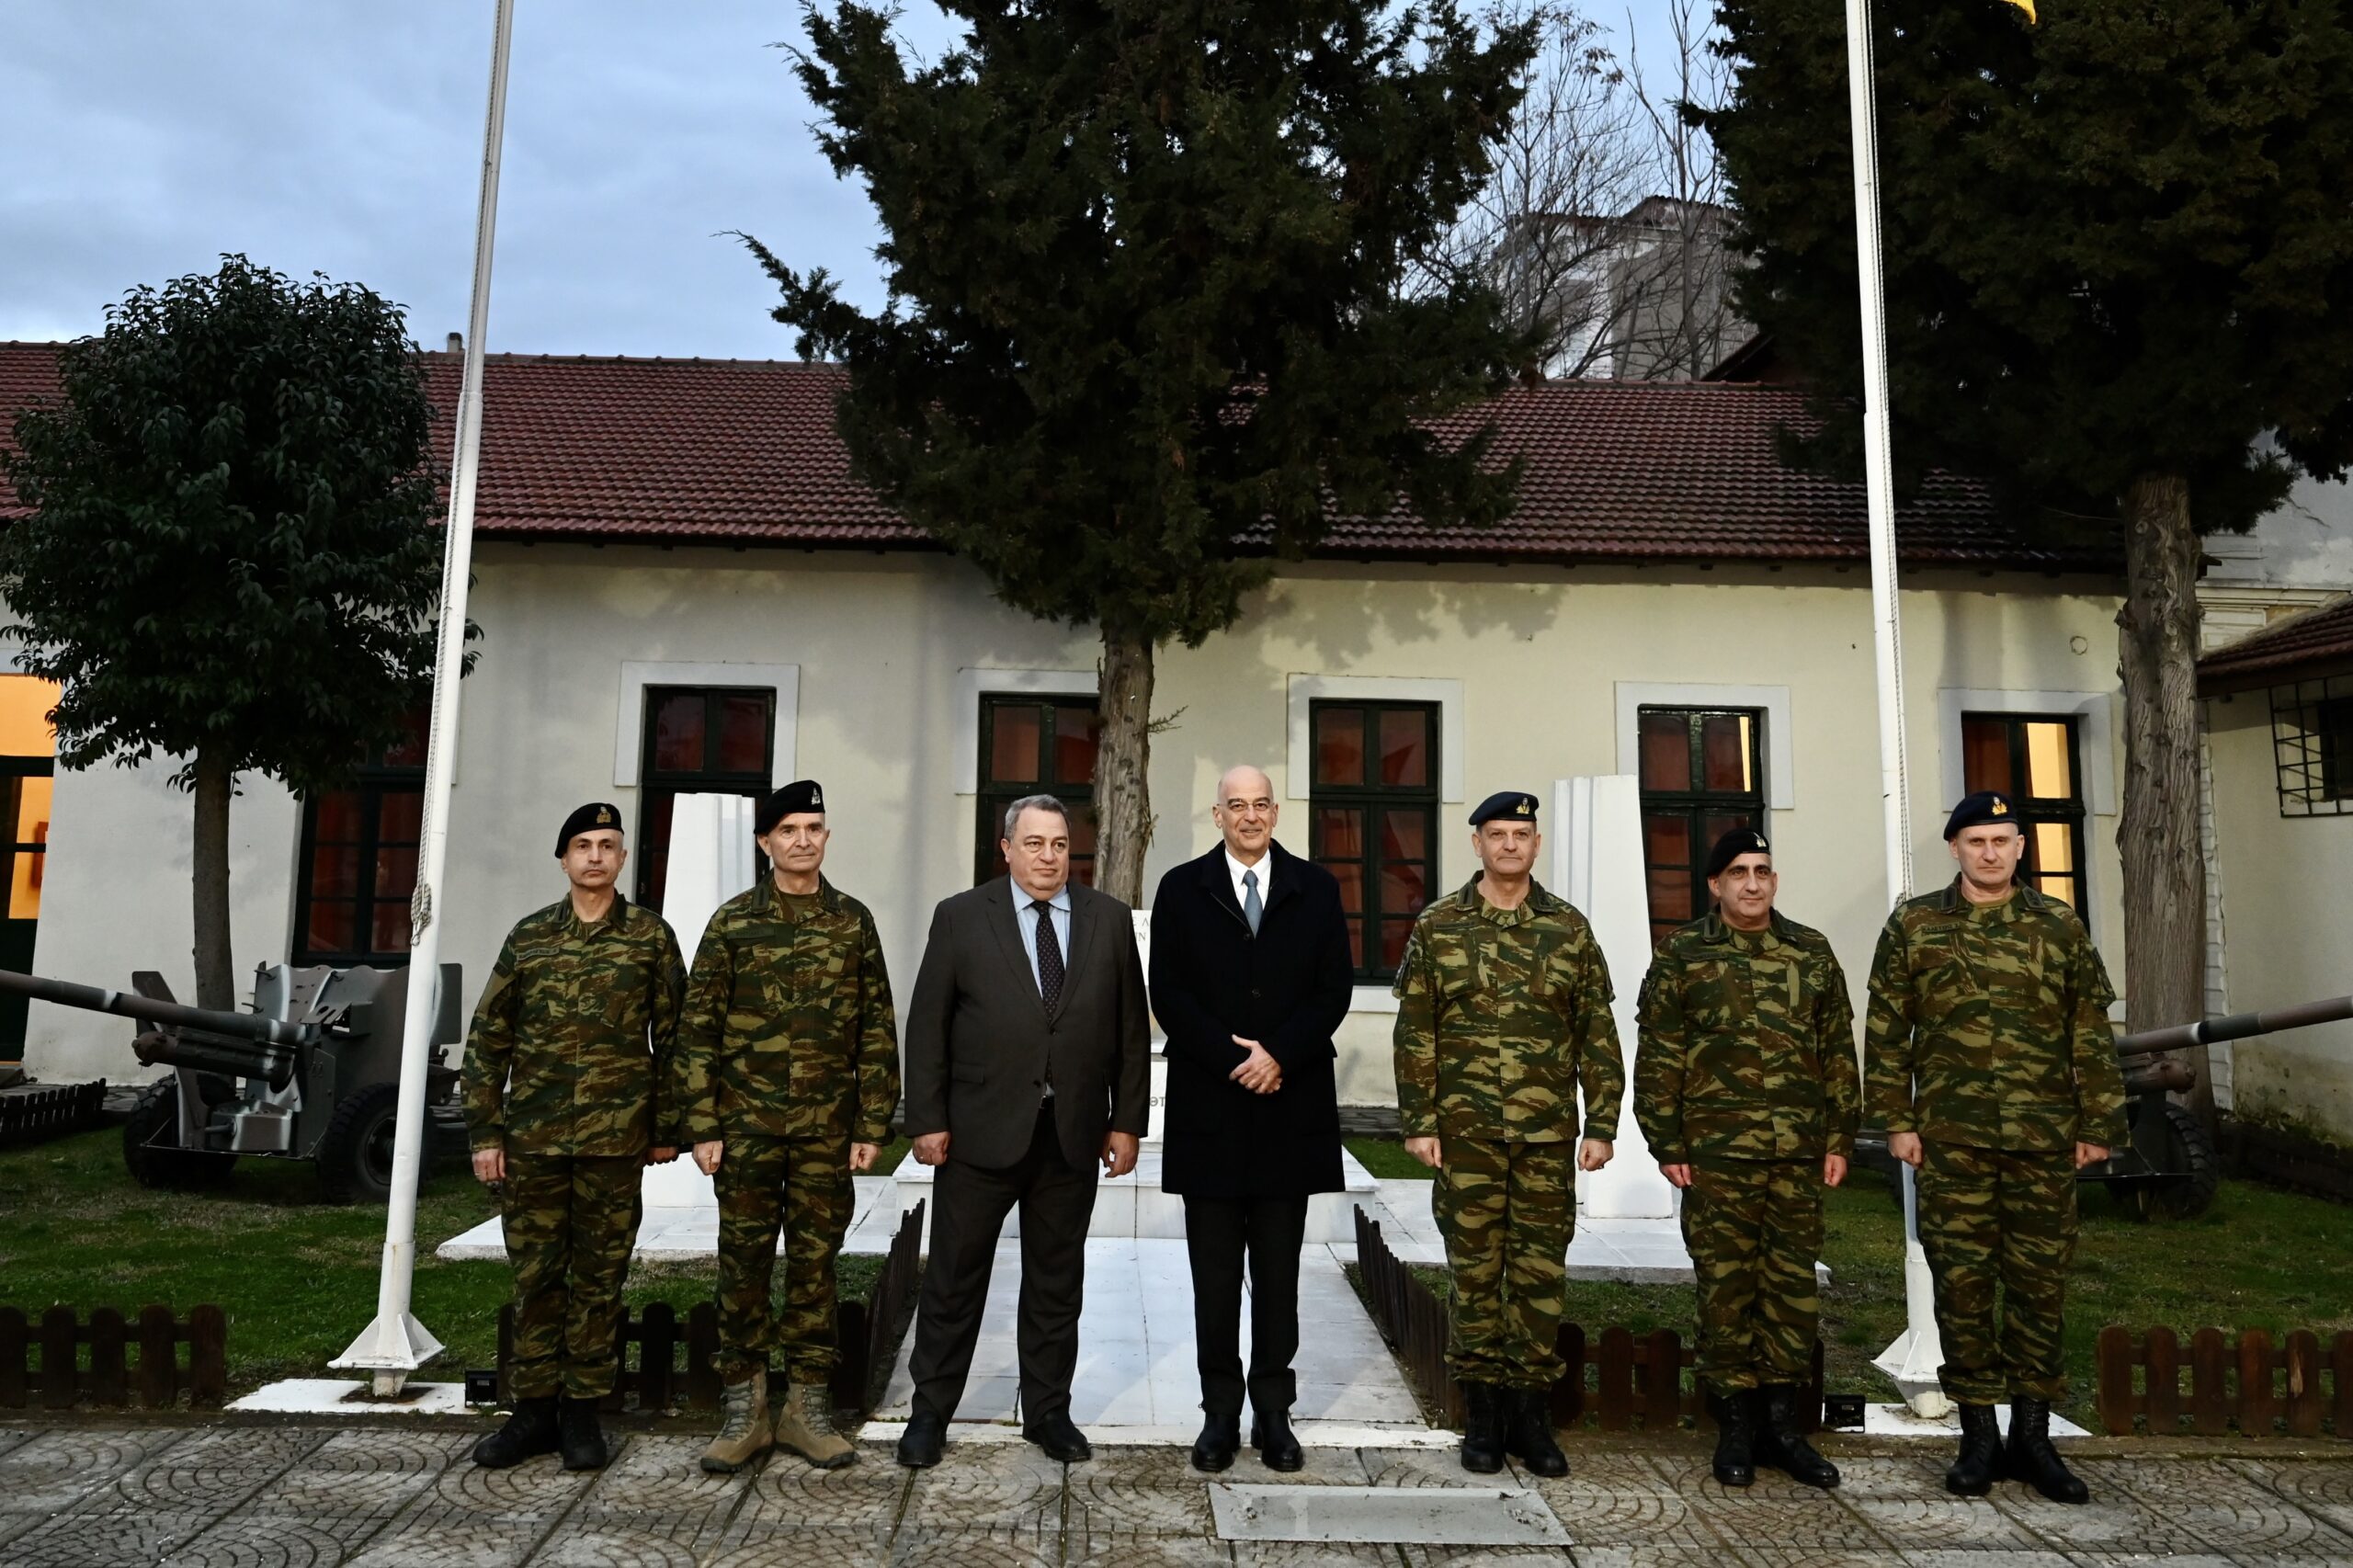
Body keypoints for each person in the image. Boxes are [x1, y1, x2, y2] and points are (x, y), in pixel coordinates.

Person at [1866, 790, 2126, 1504]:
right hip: (1952, 1141)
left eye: (2003, 840)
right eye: (1976, 840)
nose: (1990, 852)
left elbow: (2088, 1032)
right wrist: (1896, 1119)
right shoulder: (1916, 925)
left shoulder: (2058, 926)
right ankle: (1978, 1437)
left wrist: (2098, 1124)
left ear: (2019, 848)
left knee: (2040, 1288)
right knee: (1964, 1287)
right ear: (1955, 848)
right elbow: (1888, 1031)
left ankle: (2034, 1438)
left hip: (2043, 1140)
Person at [895, 793, 1152, 1469]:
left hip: (1070, 1135)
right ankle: (929, 1414)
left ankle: (1047, 1413)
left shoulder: (1109, 920)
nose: (1048, 857)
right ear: (1006, 849)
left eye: (1060, 844)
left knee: (1056, 1283)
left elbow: (1130, 1031)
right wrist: (925, 1119)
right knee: (954, 1281)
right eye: (1034, 844)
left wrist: (1127, 1122)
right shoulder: (960, 918)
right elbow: (928, 1028)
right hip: (979, 1134)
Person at [1392, 790, 1620, 1478]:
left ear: (1537, 843)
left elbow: (1597, 1036)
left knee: (1539, 1275)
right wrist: (1419, 1124)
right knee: (1475, 1272)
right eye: (1497, 834)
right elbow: (1416, 1035)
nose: (1510, 845)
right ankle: (1483, 1416)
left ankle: (1530, 1415)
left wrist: (1603, 1122)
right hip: (1466, 1138)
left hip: (1548, 1138)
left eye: (1522, 834)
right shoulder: (1440, 925)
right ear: (1478, 844)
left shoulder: (1569, 931)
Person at [676, 779, 901, 1474]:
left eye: (814, 828)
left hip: (826, 1133)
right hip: (744, 1131)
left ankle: (807, 1410)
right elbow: (698, 1028)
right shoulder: (734, 922)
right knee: (742, 1267)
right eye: (790, 830)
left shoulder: (853, 921)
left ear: (826, 838)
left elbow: (875, 1028)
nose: (803, 839)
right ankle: (744, 1410)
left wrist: (871, 1122)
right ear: (765, 842)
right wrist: (703, 1123)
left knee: (815, 1268)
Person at [461, 801, 685, 1471]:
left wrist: (667, 1126)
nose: (594, 855)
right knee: (536, 1278)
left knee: (599, 1279)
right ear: (563, 859)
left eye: (607, 845)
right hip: (533, 1140)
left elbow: (677, 1037)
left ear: (621, 859)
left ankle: (583, 1413)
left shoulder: (649, 936)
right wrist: (484, 1133)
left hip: (616, 1144)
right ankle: (531, 1412)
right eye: (583, 844)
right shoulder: (530, 937)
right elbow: (488, 1039)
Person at [1634, 826, 1857, 1492]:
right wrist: (1666, 1142)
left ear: (1774, 880)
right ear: (1715, 884)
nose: (1753, 883)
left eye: (1762, 870)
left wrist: (1840, 1138)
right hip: (1717, 1156)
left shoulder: (1810, 952)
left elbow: (1837, 1053)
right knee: (1727, 1291)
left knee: (1789, 1291)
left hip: (1795, 1155)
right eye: (1738, 872)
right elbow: (1660, 1057)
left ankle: (1783, 1429)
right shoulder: (1682, 956)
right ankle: (1733, 1425)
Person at [1148, 764, 1353, 1473]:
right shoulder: (1181, 888)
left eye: (1261, 803)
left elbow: (1333, 990)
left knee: (1277, 1275)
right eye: (1236, 805)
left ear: (1275, 811)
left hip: (1286, 1109)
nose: (1250, 816)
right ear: (1217, 815)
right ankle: (1218, 1416)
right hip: (1211, 1108)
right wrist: (1231, 1058)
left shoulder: (1317, 889)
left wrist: (1281, 1056)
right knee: (1211, 1279)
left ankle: (1273, 1413)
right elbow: (1167, 992)